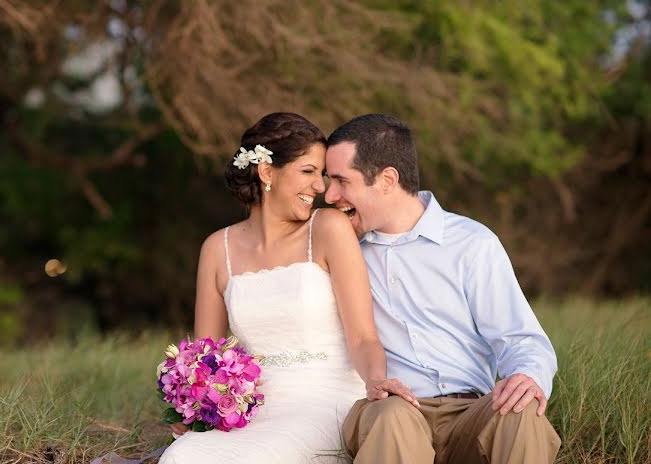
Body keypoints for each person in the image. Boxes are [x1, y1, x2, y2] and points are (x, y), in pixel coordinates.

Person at [160, 112, 417, 464]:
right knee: (183, 456)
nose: (321, 188)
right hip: (250, 412)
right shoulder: (217, 249)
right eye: (308, 172)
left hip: (325, 402)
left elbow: (363, 338)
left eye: (323, 176)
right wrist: (198, 411)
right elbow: (208, 356)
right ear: (267, 172)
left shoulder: (329, 229)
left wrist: (376, 381)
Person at [324, 113, 561, 464]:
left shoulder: (472, 243)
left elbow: (521, 338)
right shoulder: (342, 249)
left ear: (388, 179)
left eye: (342, 181)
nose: (330, 195)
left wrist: (528, 374)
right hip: (392, 409)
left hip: (471, 411)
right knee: (392, 420)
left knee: (521, 413)